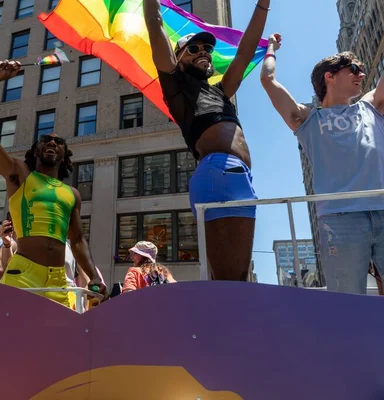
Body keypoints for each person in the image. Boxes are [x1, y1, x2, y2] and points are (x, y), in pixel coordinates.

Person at [143, 0, 271, 281]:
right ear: (178, 58)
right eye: (194, 48)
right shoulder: (177, 87)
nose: (204, 52)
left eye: (208, 49)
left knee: (235, 276)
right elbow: (154, 24)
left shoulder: (220, 91)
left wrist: (263, 5)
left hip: (239, 176)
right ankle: (222, 324)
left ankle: (221, 323)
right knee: (231, 280)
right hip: (218, 173)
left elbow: (245, 52)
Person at [0, 59, 106, 307]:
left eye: (59, 142)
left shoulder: (72, 194)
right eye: (46, 139)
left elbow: (77, 241)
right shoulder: (20, 174)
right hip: (22, 275)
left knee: (57, 344)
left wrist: (95, 277)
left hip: (59, 280)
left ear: (65, 155)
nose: (52, 143)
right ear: (36, 151)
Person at [260, 33, 384, 294]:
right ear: (330, 76)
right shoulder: (307, 119)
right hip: (339, 220)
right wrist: (270, 48)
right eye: (354, 69)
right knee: (348, 301)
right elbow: (268, 80)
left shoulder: (371, 106)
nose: (362, 75)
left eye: (363, 70)